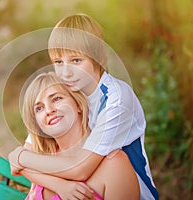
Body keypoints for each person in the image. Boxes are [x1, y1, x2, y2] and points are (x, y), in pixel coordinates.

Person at [9, 13, 159, 200]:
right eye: (58, 62)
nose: (66, 72)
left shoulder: (115, 100)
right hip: (80, 186)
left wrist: (20, 157)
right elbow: (26, 160)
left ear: (97, 57)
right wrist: (59, 185)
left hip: (122, 189)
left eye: (76, 61)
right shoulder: (66, 92)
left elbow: (79, 169)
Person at [18, 72, 140, 200]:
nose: (49, 110)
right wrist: (59, 185)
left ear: (78, 104)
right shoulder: (42, 158)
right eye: (39, 108)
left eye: (56, 99)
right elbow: (16, 164)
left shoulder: (114, 163)